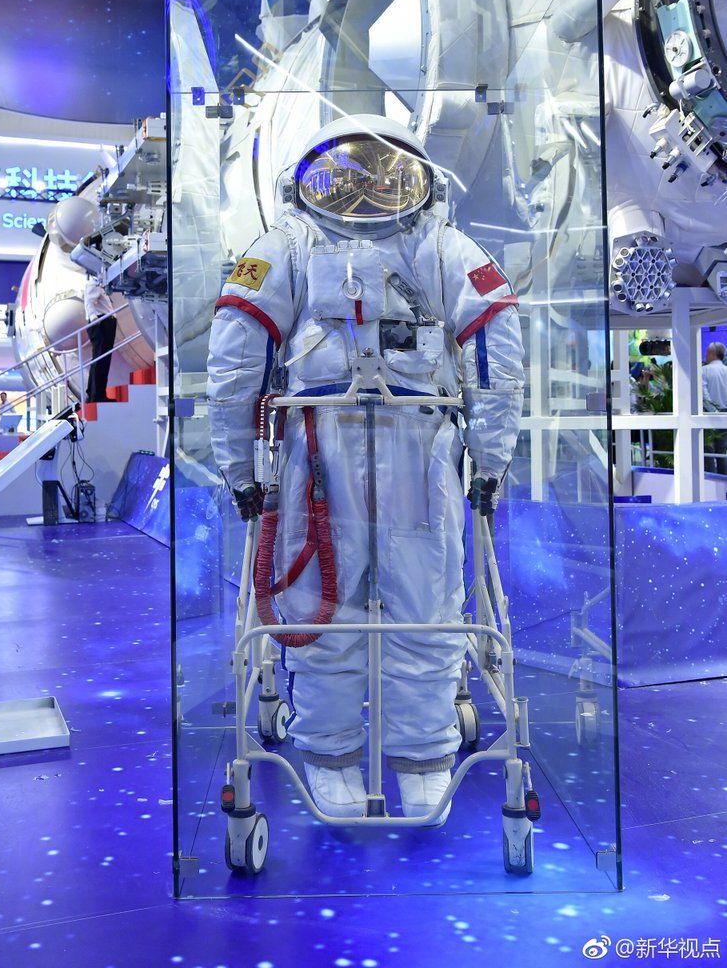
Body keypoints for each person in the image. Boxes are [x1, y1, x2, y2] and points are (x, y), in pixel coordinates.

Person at [207, 115, 524, 823]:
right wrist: (240, 467)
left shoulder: (437, 245)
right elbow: (236, 357)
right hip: (318, 447)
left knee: (426, 606)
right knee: (319, 608)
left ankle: (424, 754)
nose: (364, 191)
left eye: (382, 175)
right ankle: (329, 755)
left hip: (419, 444)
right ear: (307, 181)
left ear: (419, 178)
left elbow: (494, 342)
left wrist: (489, 455)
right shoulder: (290, 247)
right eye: (345, 176)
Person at [84, 276, 117, 403]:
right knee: (100, 360)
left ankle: (95, 393)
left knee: (102, 359)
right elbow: (89, 301)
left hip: (105, 322)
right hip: (102, 322)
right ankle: (97, 395)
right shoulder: (94, 283)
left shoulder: (101, 284)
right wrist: (94, 319)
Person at [703, 341, 727, 473]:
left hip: (708, 415)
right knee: (722, 452)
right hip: (725, 415)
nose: (705, 355)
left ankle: (710, 481)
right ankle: (723, 481)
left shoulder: (704, 370)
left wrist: (714, 411)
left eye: (707, 352)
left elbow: (704, 394)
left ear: (713, 353)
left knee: (708, 452)